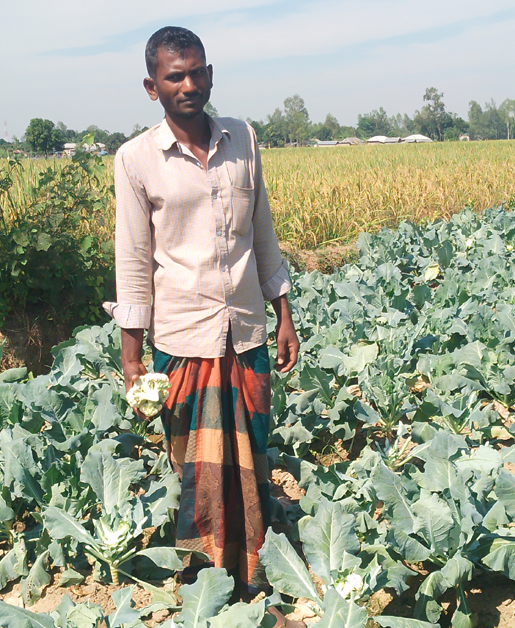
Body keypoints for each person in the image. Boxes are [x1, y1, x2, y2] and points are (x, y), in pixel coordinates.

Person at [103, 25, 302, 621]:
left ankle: (256, 566)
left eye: (197, 72)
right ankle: (206, 575)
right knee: (195, 463)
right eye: (175, 76)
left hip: (246, 331)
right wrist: (132, 354)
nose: (189, 85)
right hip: (183, 338)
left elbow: (262, 231)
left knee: (254, 454)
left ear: (210, 74)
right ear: (151, 86)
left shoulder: (243, 138)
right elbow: (134, 260)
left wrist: (284, 311)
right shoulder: (137, 159)